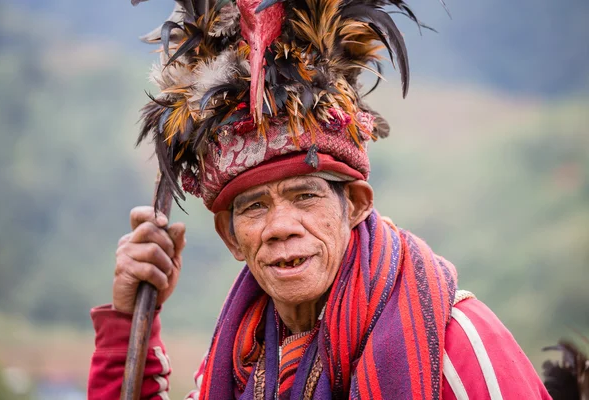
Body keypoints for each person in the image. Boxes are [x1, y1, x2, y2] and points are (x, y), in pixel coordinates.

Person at [89, 0, 551, 398]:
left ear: (355, 204)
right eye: (253, 207)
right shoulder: (238, 364)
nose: (281, 226)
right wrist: (129, 323)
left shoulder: (457, 343)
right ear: (230, 238)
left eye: (305, 196)